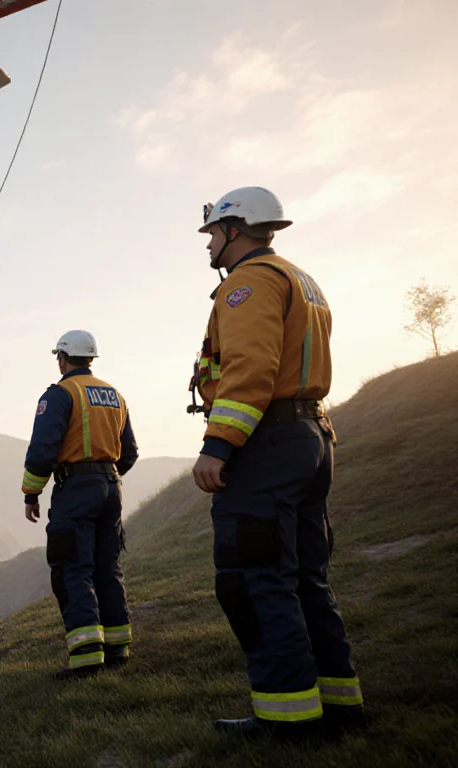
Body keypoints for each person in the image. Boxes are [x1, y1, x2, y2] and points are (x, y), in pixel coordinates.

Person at [191, 186, 363, 739]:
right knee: (306, 578)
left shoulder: (247, 284)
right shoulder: (300, 279)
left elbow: (250, 368)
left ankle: (287, 717)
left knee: (256, 579)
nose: (210, 244)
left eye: (213, 233)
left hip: (268, 446)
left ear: (235, 229)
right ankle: (339, 703)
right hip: (311, 435)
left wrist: (218, 445)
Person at [22, 330, 138, 679]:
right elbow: (129, 453)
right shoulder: (115, 396)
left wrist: (31, 492)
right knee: (108, 567)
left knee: (73, 568)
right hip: (111, 487)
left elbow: (43, 450)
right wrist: (106, 476)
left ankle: (87, 655)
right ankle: (119, 647)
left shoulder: (60, 394)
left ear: (62, 358)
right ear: (91, 358)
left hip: (76, 489)